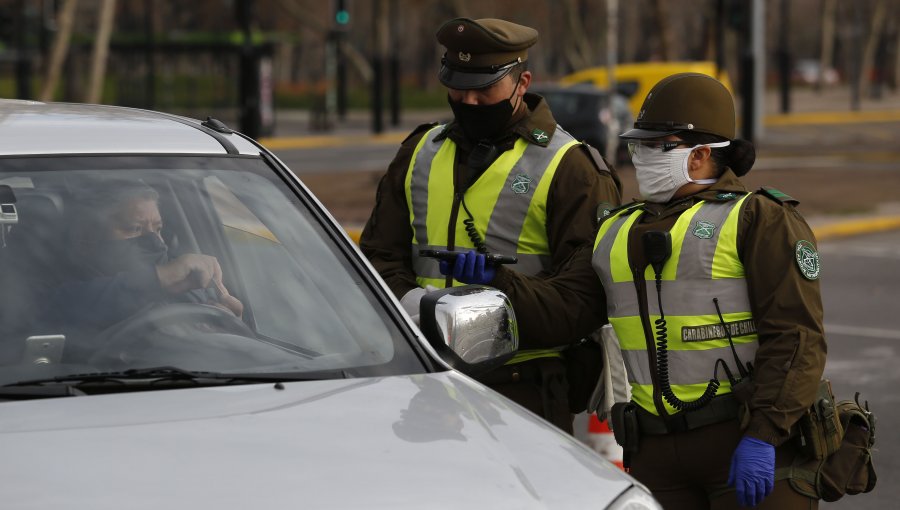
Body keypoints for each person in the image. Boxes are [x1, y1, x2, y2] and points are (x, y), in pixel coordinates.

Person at [443, 73, 826, 509]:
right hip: (654, 455)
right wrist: (501, 282)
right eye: (636, 146)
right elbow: (567, 311)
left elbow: (797, 339)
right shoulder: (617, 229)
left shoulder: (760, 219)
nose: (638, 157)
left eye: (654, 146)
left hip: (743, 443)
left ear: (700, 155)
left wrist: (765, 433)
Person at [359, 17, 622, 434]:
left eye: (484, 89)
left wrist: (501, 287)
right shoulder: (419, 152)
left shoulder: (573, 168)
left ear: (522, 82)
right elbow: (375, 260)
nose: (469, 100)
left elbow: (584, 304)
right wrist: (419, 308)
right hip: (425, 383)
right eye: (458, 86)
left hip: (522, 391)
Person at [38, 180, 243, 359]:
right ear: (86, 237)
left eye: (158, 229)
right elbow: (59, 309)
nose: (156, 243)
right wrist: (160, 279)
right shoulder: (55, 288)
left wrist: (226, 325)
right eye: (134, 229)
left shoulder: (187, 287)